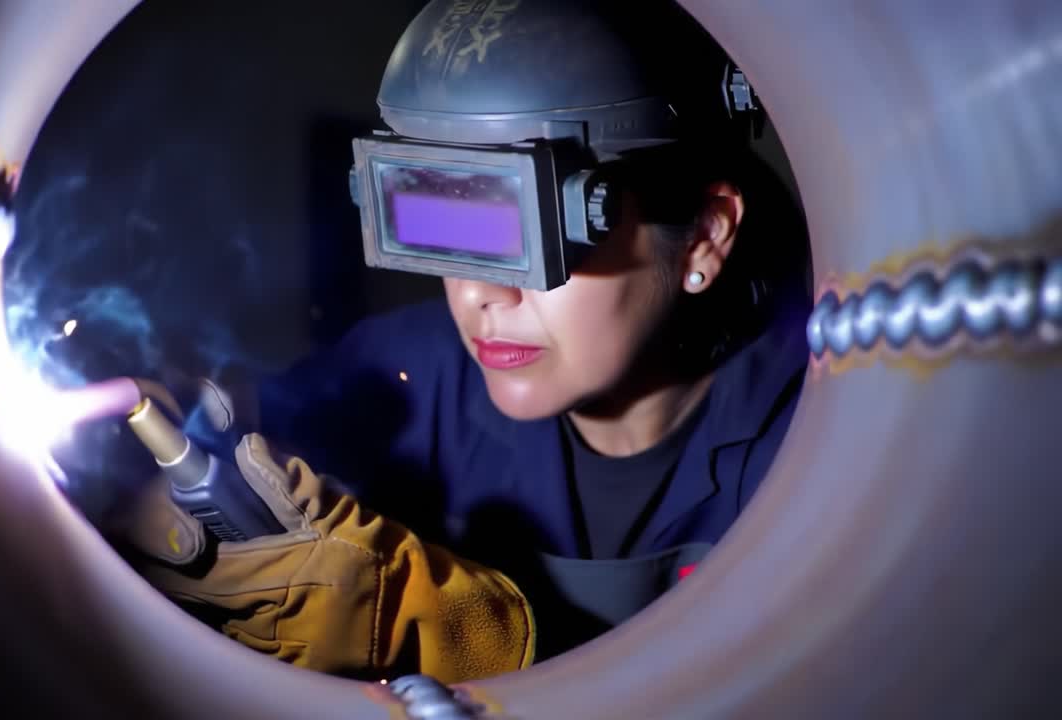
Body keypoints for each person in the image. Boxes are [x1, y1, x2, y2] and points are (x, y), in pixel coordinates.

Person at [119, 0, 811, 684]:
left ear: (705, 236)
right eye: (456, 226)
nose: (478, 294)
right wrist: (150, 443)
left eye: (527, 234)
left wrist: (483, 646)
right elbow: (234, 428)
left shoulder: (812, 448)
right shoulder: (411, 372)